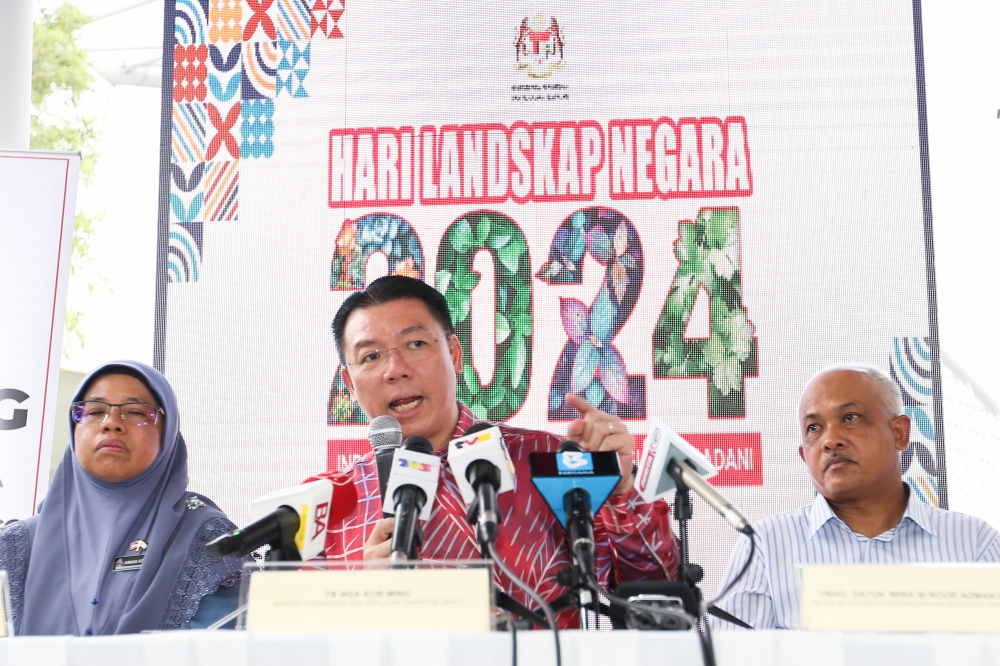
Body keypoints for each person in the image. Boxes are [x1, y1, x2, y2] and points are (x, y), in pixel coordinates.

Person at [309, 276, 680, 627]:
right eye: (371, 356)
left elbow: (656, 593)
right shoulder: (329, 504)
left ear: (454, 354)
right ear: (349, 385)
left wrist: (620, 493)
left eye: (415, 344)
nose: (395, 369)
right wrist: (359, 601)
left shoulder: (544, 460)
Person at [712, 364, 1000, 630]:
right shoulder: (764, 547)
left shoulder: (974, 544)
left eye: (850, 418)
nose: (830, 440)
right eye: (814, 428)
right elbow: (729, 656)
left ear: (899, 432)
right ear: (804, 456)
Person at [0, 361, 245, 635]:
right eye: (94, 411)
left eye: (136, 412)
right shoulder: (16, 547)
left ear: (168, 433)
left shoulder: (207, 540)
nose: (112, 424)